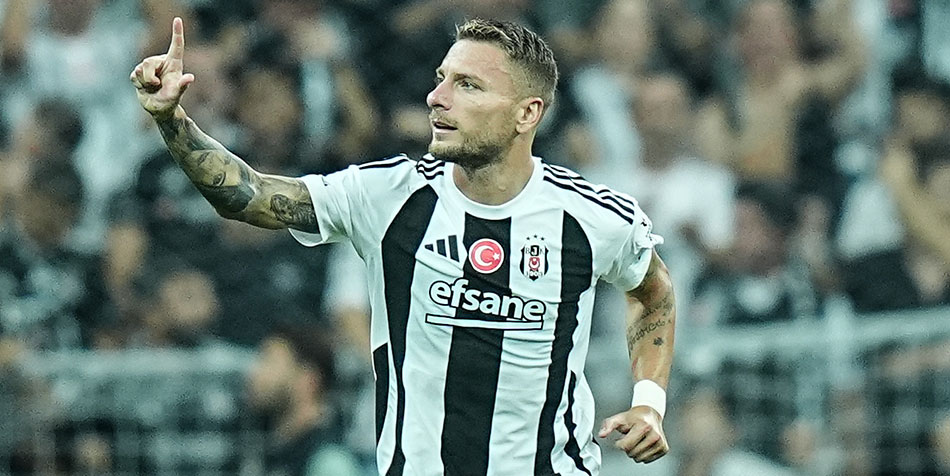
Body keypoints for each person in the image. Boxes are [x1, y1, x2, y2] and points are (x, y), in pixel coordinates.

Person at [131, 17, 676, 475]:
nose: (436, 98)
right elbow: (249, 195)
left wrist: (649, 403)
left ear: (527, 113)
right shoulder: (388, 196)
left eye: (468, 85)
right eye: (441, 79)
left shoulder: (592, 218)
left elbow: (653, 294)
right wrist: (171, 118)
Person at [246, 322, 362, 476]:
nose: (254, 373)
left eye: (270, 361)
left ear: (308, 379)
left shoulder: (328, 462)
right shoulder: (272, 451)